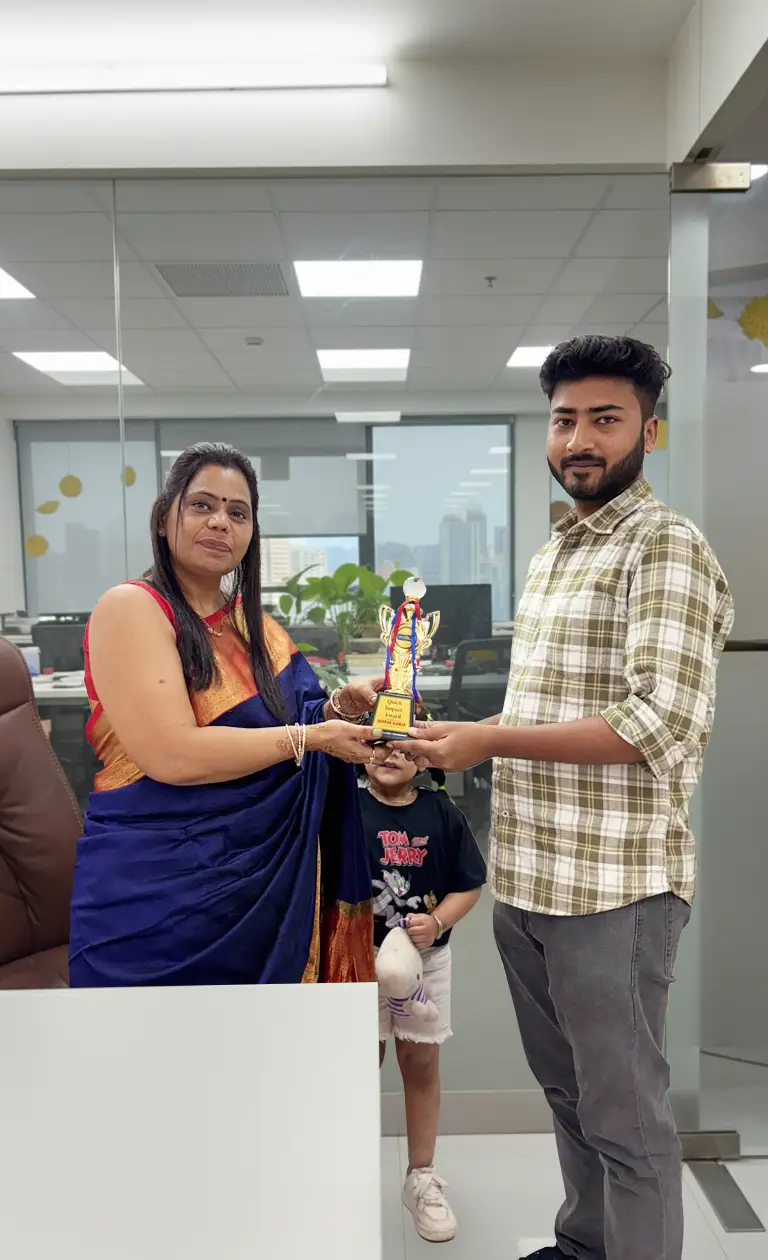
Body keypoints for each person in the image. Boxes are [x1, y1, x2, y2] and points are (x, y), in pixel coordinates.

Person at [399, 336, 734, 1260]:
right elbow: (544, 709)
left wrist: (489, 739)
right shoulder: (557, 551)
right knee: (570, 1096)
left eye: (605, 419)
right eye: (564, 419)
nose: (579, 438)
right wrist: (450, 728)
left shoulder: (664, 545)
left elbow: (656, 722)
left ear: (648, 433)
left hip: (613, 891)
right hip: (531, 879)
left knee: (627, 1117)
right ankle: (586, 1245)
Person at [69, 442, 389, 987]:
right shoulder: (132, 608)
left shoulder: (251, 624)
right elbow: (172, 756)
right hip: (160, 897)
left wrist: (339, 707)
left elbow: (287, 722)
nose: (220, 522)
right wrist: (314, 737)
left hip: (261, 889)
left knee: (265, 1039)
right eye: (202, 505)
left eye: (238, 513)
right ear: (164, 518)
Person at [360, 749, 486, 1244]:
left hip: (425, 962)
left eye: (405, 746)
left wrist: (436, 922)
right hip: (357, 962)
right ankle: (344, 1170)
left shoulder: (442, 812)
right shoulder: (345, 807)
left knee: (420, 1065)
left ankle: (421, 1178)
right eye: (380, 742)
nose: (390, 753)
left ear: (425, 759)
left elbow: (469, 885)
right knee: (355, 1066)